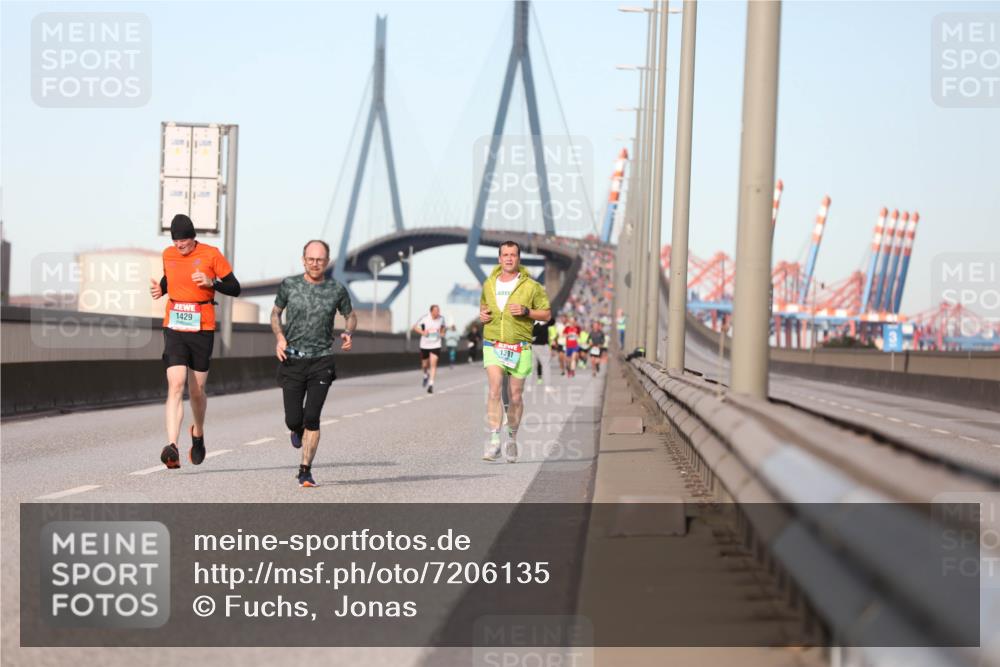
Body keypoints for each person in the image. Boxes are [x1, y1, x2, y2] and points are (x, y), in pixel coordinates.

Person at [149, 214, 241, 469]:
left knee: (197, 391)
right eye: (176, 241)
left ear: (193, 238)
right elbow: (171, 278)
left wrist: (212, 282)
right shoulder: (168, 254)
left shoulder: (211, 254)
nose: (180, 245)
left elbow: (235, 287)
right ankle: (172, 446)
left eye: (184, 241)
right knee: (175, 384)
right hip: (175, 326)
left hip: (202, 328)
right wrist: (162, 290)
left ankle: (198, 433)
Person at [270, 239, 356, 488]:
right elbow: (276, 312)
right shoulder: (290, 285)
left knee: (312, 418)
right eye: (311, 259)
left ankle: (305, 470)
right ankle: (296, 431)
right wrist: (279, 337)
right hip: (292, 359)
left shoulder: (336, 289)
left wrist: (349, 332)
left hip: (322, 360)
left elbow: (350, 315)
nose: (315, 263)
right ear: (303, 260)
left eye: (320, 260)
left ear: (327, 262)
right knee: (293, 419)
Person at [479, 241, 551, 462]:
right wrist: (482, 316)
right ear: (499, 259)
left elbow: (546, 314)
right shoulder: (489, 284)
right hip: (493, 343)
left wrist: (527, 311)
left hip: (519, 346)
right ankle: (493, 441)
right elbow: (484, 308)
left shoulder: (531, 286)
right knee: (494, 390)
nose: (509, 258)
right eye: (505, 255)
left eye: (513, 255)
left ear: (518, 259)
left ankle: (511, 438)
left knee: (516, 396)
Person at [413, 305, 445, 393]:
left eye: (438, 311)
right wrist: (423, 332)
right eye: (436, 311)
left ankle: (431, 384)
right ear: (431, 311)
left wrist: (442, 333)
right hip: (425, 345)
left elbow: (443, 328)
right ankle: (425, 374)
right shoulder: (424, 318)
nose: (438, 313)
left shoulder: (441, 319)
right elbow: (414, 327)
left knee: (433, 364)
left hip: (436, 344)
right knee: (424, 365)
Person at [531, 317, 554, 386]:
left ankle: (528, 385)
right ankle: (548, 386)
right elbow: (552, 321)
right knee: (546, 366)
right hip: (542, 346)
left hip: (533, 345)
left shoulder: (533, 319)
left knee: (532, 366)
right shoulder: (543, 321)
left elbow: (552, 321)